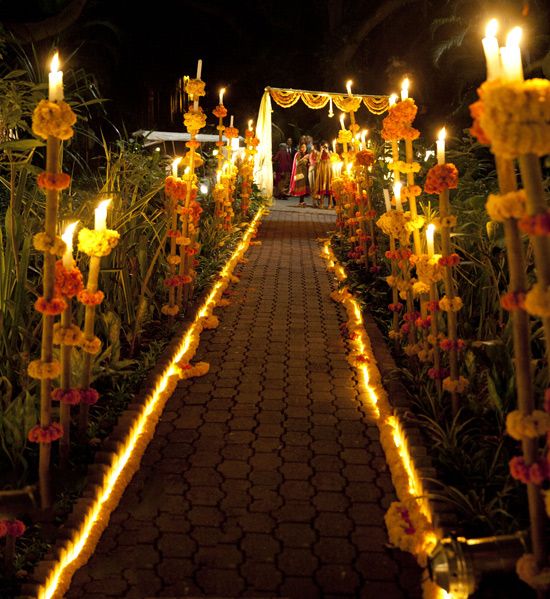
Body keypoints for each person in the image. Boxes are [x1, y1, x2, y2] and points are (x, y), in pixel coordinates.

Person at [314, 141, 332, 208]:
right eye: (323, 146)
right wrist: (321, 151)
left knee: (329, 186)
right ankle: (321, 203)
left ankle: (330, 204)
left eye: (326, 146)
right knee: (322, 186)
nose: (324, 147)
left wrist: (327, 152)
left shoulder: (330, 152)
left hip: (328, 171)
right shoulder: (319, 153)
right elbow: (317, 161)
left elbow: (332, 159)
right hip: (321, 171)